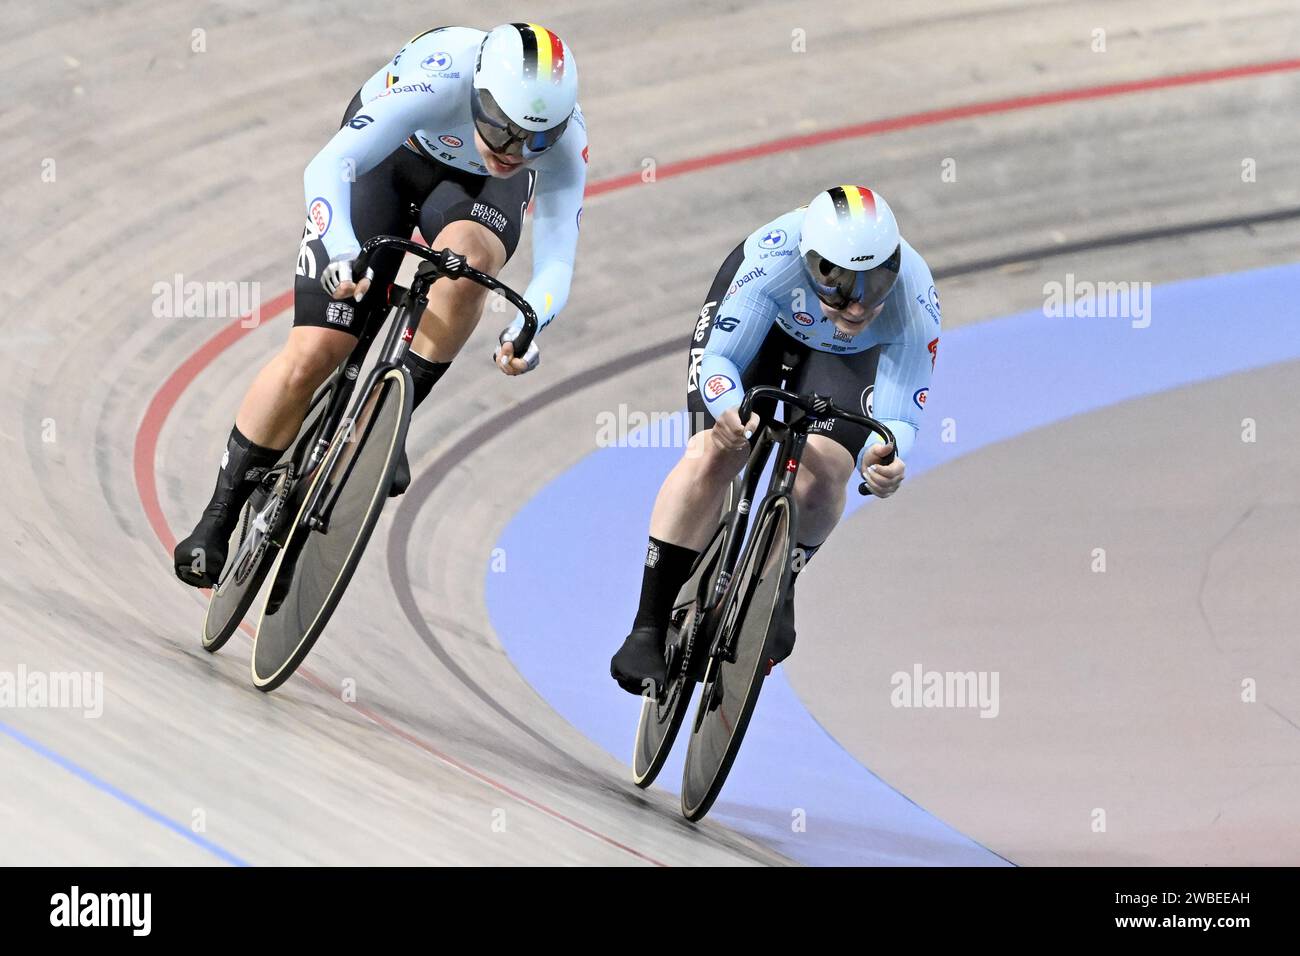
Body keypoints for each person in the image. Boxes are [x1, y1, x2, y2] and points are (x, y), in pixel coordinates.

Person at [173, 23, 587, 588]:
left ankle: (388, 419)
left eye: (536, 140)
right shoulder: (442, 83)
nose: (515, 151)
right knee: (317, 350)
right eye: (504, 129)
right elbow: (327, 167)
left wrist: (529, 323)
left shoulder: (558, 141)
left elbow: (558, 262)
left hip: (472, 199)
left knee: (470, 268)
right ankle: (218, 514)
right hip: (390, 159)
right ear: (478, 95)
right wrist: (342, 249)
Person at [610, 186, 941, 693]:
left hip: (843, 360)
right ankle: (647, 626)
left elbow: (899, 419)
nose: (857, 306)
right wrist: (725, 412)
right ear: (811, 265)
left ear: (893, 268)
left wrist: (888, 457)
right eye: (839, 286)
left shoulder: (914, 299)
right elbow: (719, 363)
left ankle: (779, 581)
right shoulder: (773, 259)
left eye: (874, 287)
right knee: (713, 452)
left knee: (828, 470)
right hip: (764, 327)